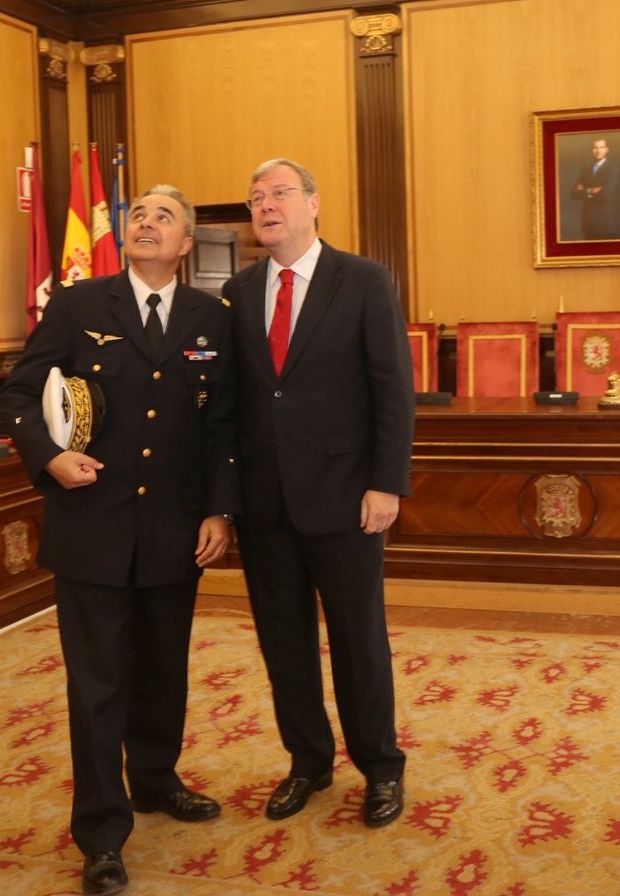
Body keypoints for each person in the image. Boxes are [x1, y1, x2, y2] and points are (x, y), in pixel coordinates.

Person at [0, 185, 236, 896]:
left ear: (187, 245)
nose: (148, 224)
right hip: (91, 528)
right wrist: (49, 457)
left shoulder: (209, 318)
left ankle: (156, 781)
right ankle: (101, 834)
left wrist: (220, 512)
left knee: (163, 672)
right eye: (140, 216)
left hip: (173, 531)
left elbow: (222, 425)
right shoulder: (76, 306)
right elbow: (16, 396)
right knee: (98, 686)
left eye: (166, 218)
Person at [222, 159, 414, 829]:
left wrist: (386, 483)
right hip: (264, 504)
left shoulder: (360, 280)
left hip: (345, 499)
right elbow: (234, 404)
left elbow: (392, 388)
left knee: (360, 641)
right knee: (284, 643)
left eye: (279, 193)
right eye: (256, 199)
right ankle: (307, 761)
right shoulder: (240, 291)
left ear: (312, 202)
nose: (266, 205)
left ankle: (381, 767)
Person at [571, 137, 619, 239]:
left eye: (601, 147)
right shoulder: (585, 170)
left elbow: (605, 195)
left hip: (604, 224)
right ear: (592, 150)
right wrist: (592, 190)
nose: (598, 151)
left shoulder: (612, 170)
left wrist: (584, 190)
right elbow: (574, 194)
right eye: (595, 147)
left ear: (607, 149)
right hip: (588, 223)